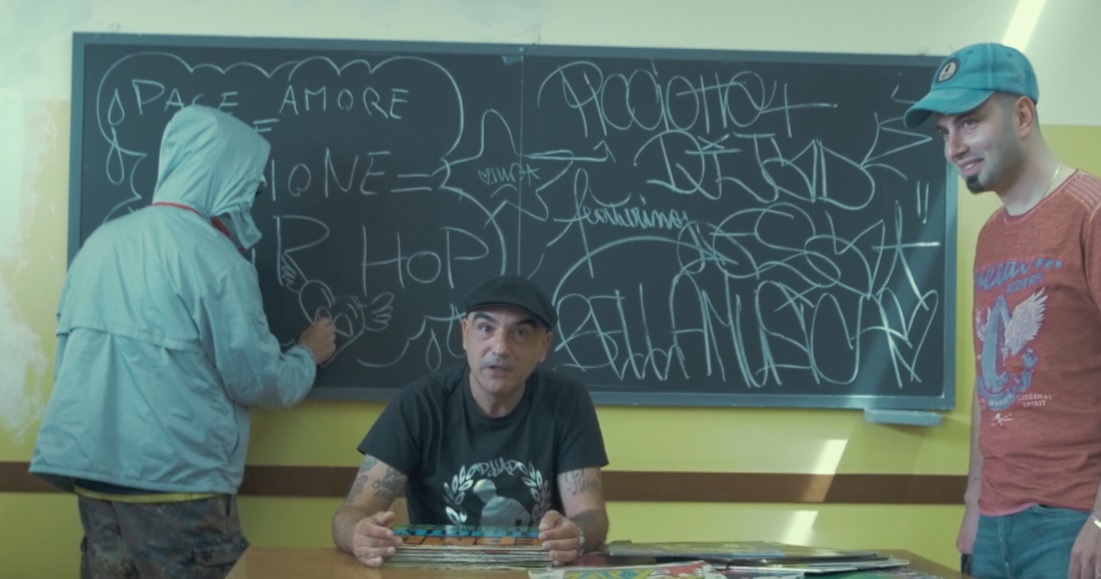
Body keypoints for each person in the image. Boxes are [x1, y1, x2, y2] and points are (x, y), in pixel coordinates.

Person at [30, 104, 337, 578]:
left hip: (94, 481)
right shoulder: (215, 260)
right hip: (177, 487)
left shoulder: (99, 245)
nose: (249, 198)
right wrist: (307, 356)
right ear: (224, 175)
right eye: (248, 184)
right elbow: (258, 381)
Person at [905, 43, 1101, 579]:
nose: (954, 147)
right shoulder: (991, 236)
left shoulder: (1090, 214)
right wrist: (974, 503)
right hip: (994, 524)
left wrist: (1100, 521)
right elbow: (988, 380)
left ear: (1022, 116)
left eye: (969, 123)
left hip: (1071, 521)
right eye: (944, 132)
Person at [332, 275, 609, 568]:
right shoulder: (418, 405)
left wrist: (576, 535)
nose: (499, 348)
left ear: (543, 345)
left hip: (535, 571)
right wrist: (358, 534)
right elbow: (350, 514)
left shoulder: (567, 401)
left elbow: (591, 516)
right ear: (465, 334)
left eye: (520, 333)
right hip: (438, 573)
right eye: (486, 329)